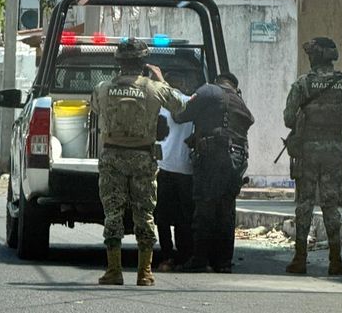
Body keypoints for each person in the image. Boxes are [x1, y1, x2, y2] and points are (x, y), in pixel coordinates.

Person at [91, 38, 187, 286]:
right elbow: (180, 105)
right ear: (143, 62)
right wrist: (161, 79)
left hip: (112, 157)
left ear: (119, 62)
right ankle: (145, 273)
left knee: (113, 213)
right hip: (144, 157)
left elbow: (95, 108)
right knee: (145, 214)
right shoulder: (155, 88)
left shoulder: (103, 88)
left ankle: (114, 271)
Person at [283, 37, 342, 276]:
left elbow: (288, 118)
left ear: (314, 57)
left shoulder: (302, 84)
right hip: (333, 149)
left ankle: (300, 259)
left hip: (307, 150)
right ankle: (335, 261)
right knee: (331, 204)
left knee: (305, 203)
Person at [174, 72, 254, 273]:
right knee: (226, 210)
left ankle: (200, 259)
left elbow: (182, 114)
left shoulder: (209, 90)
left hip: (213, 156)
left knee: (205, 207)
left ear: (218, 81)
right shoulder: (239, 101)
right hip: (237, 159)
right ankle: (223, 262)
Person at [154, 71, 197, 272]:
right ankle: (183, 255)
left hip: (166, 167)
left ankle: (167, 256)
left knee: (162, 216)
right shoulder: (193, 102)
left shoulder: (164, 105)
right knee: (183, 217)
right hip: (186, 169)